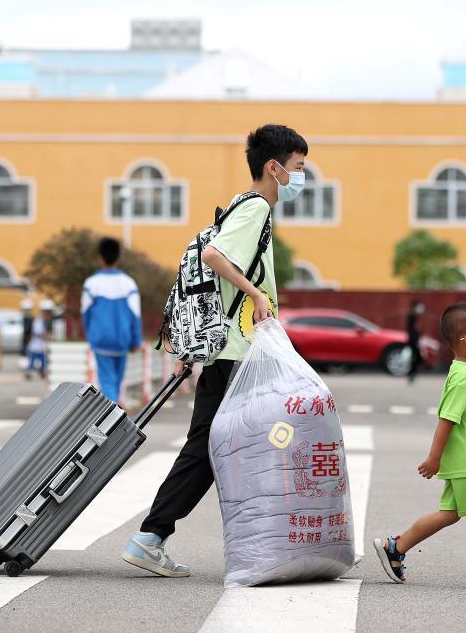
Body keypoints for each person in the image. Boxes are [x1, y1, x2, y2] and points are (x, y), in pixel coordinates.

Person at [121, 123, 308, 578]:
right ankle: (153, 535)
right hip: (237, 355)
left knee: (226, 444)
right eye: (299, 167)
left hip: (234, 351)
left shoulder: (248, 207)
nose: (302, 176)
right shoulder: (257, 208)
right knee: (233, 443)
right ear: (274, 167)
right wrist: (257, 294)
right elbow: (214, 258)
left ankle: (157, 535)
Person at [373, 302, 466, 589]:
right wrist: (434, 457)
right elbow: (448, 419)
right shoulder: (464, 377)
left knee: (450, 514)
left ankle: (396, 546)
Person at [81, 237, 143, 404]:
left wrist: (90, 334)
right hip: (123, 340)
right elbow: (136, 315)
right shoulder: (128, 283)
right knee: (116, 380)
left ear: (100, 257)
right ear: (118, 257)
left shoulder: (92, 283)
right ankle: (114, 411)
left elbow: (85, 314)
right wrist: (136, 340)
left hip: (101, 340)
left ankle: (111, 414)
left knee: (107, 380)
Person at [25, 309, 49, 380]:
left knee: (42, 360)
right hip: (36, 345)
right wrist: (44, 335)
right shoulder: (38, 321)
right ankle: (28, 373)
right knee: (33, 361)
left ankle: (42, 373)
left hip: (40, 345)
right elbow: (37, 332)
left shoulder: (42, 321)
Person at [405, 300, 424, 383]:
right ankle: (411, 374)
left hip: (414, 341)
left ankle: (412, 373)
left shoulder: (415, 317)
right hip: (413, 341)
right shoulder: (411, 317)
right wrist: (415, 340)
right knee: (416, 358)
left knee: (417, 358)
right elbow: (411, 331)